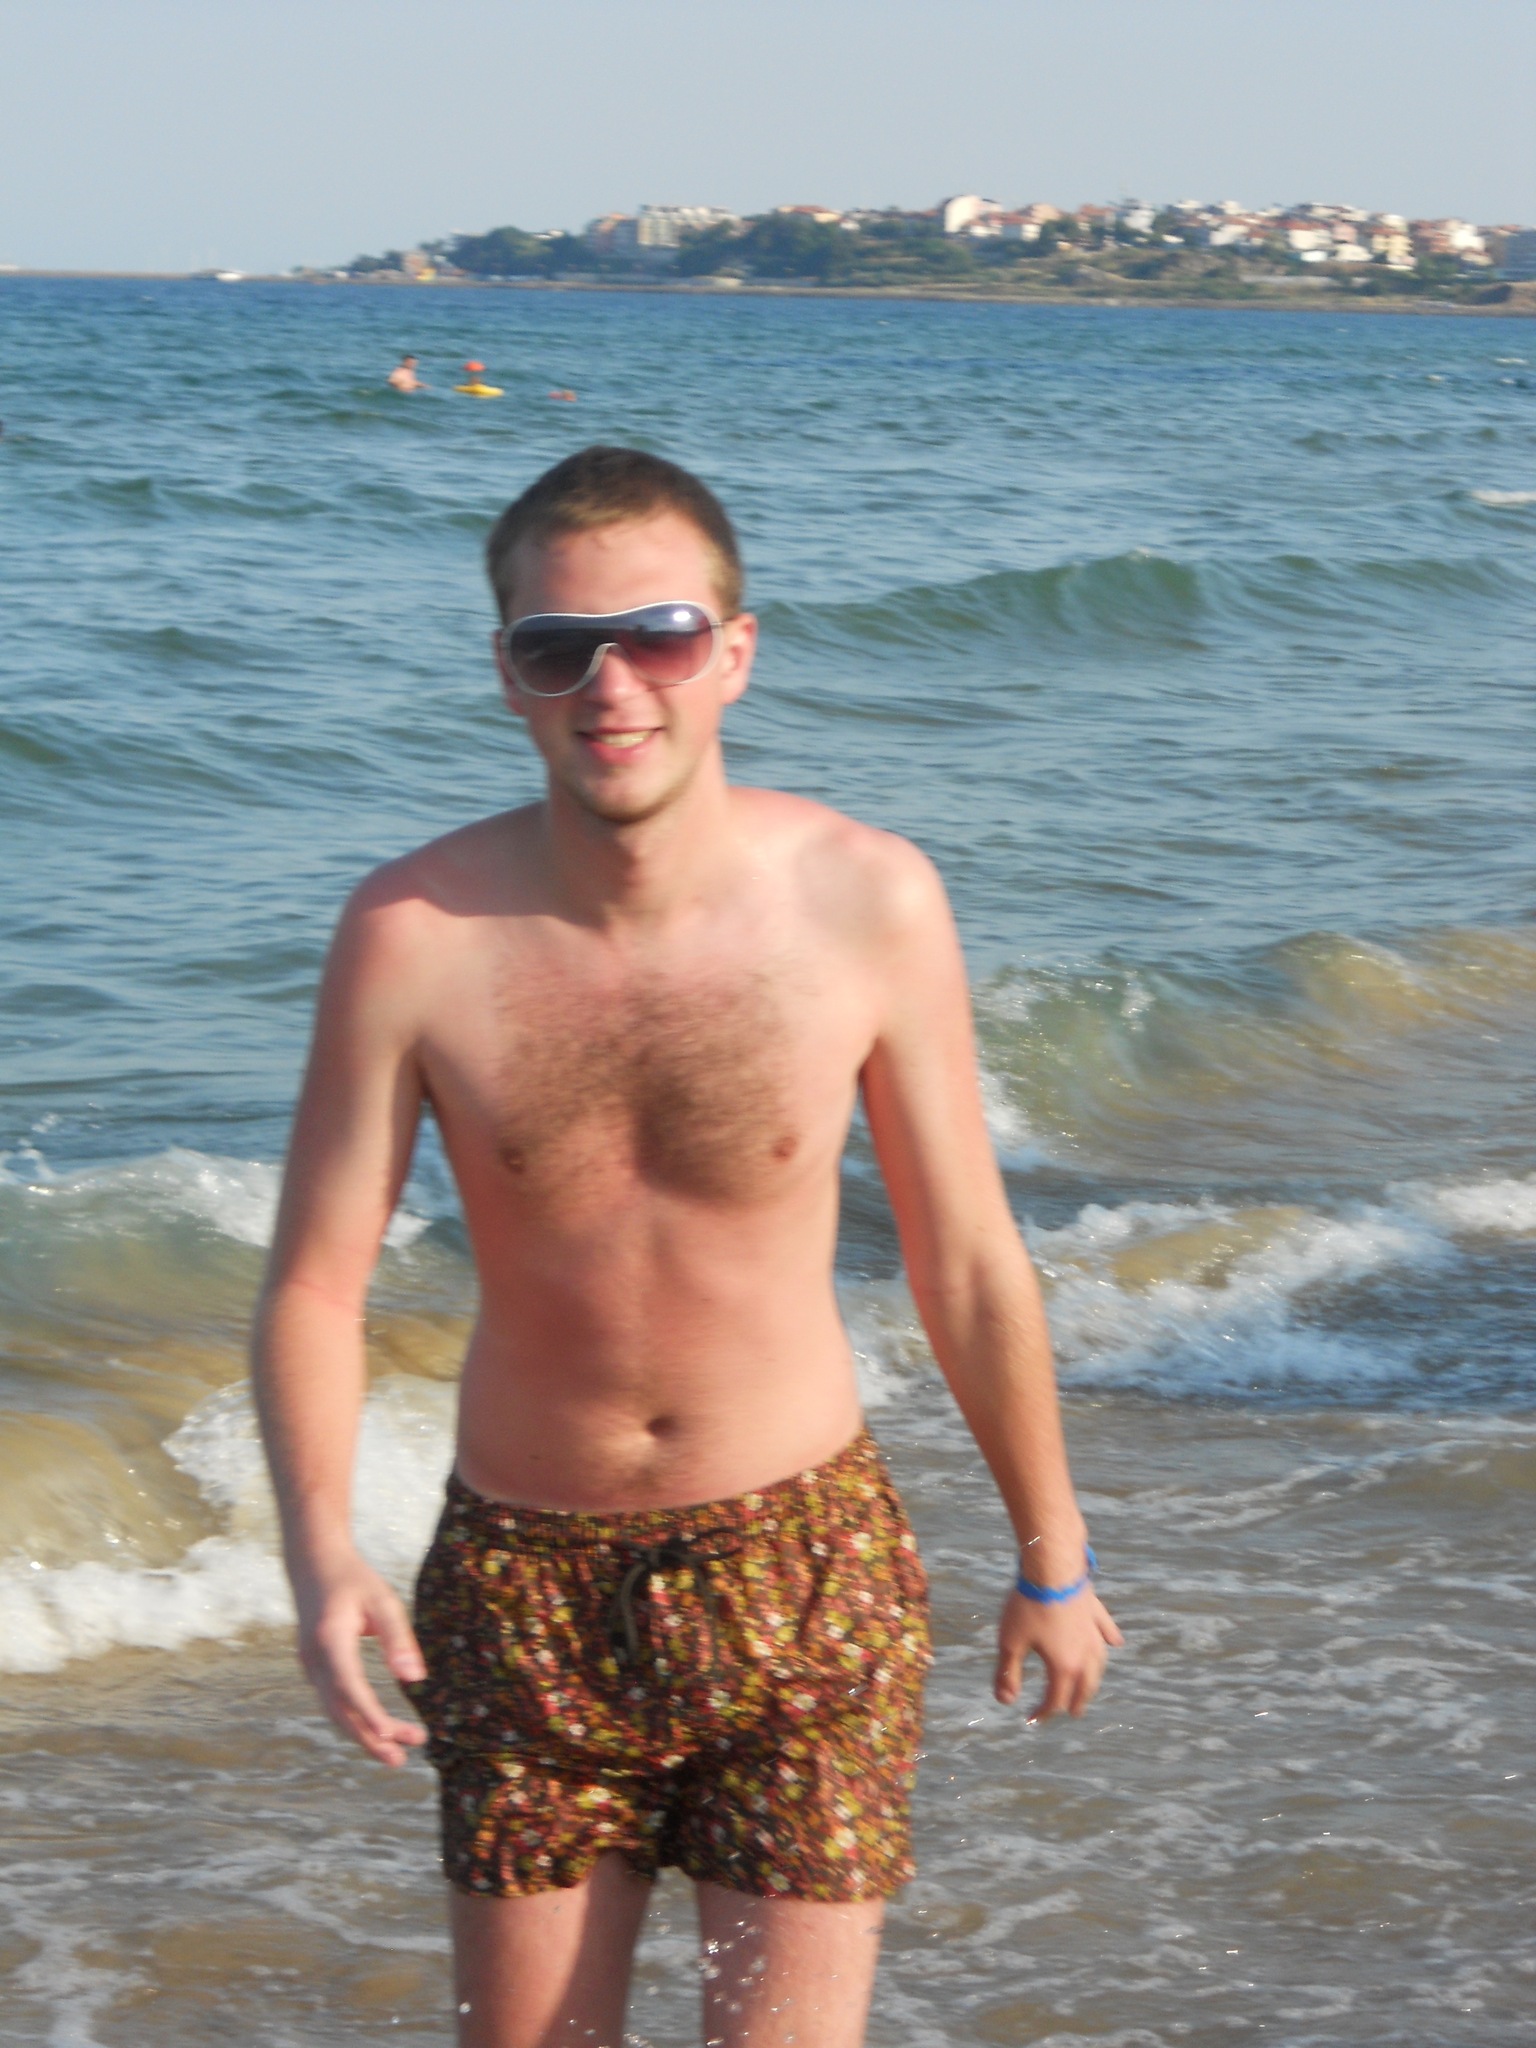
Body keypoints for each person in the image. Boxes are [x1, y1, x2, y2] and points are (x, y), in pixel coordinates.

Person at [252, 446, 1120, 2048]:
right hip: (521, 1579)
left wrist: (1050, 1554)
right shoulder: (410, 936)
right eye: (557, 646)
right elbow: (314, 1281)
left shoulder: (869, 901)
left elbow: (969, 1262)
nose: (611, 686)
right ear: (507, 671)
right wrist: (320, 1556)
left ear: (733, 652)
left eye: (655, 636)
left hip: (805, 1565)